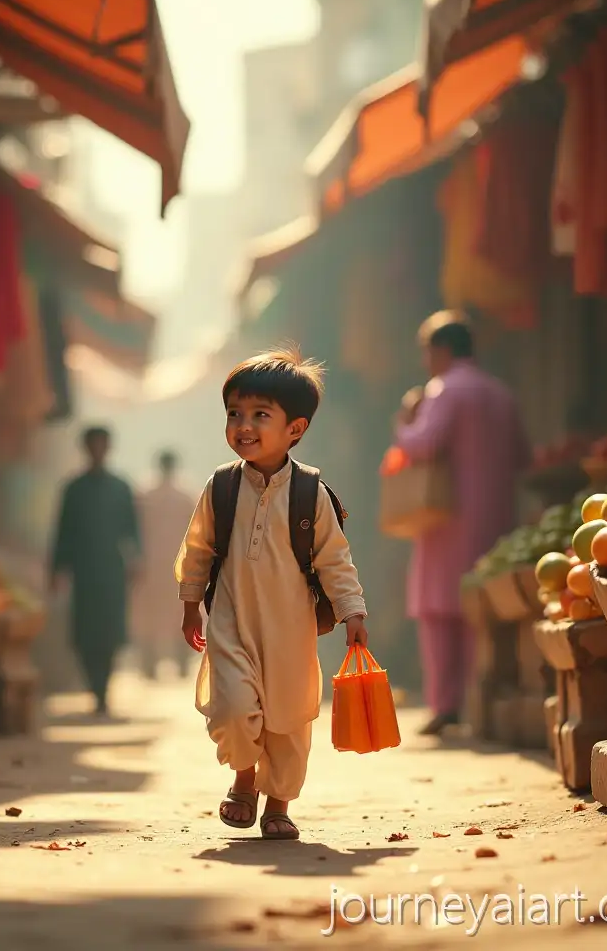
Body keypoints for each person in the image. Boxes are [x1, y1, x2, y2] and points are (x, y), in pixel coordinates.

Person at [175, 347, 368, 840]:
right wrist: (190, 605)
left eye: (261, 415)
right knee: (234, 707)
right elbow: (196, 549)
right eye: (234, 413)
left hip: (291, 632)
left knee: (289, 721)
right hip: (231, 622)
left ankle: (278, 804)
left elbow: (334, 558)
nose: (244, 425)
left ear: (295, 429)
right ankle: (244, 778)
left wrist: (352, 612)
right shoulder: (220, 487)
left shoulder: (311, 493)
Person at [393, 311, 531, 737]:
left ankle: (445, 704)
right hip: (496, 517)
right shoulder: (500, 393)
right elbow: (523, 455)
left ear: (441, 350)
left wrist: (403, 421)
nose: (425, 361)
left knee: (437, 610)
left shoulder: (443, 389)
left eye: (427, 351)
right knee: (482, 610)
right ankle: (480, 702)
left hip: (446, 519)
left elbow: (423, 443)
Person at [49, 425, 141, 717]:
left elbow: (133, 530)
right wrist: (56, 569)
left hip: (112, 569)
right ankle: (94, 687)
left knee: (110, 631)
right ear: (86, 448)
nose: (98, 450)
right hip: (83, 568)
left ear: (108, 448)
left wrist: (136, 560)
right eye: (93, 445)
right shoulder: (73, 489)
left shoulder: (121, 487)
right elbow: (62, 532)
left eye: (102, 444)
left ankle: (103, 689)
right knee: (85, 632)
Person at [130, 450, 196, 680]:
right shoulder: (185, 496)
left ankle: (151, 666)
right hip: (177, 564)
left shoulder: (145, 494)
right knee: (179, 612)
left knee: (152, 615)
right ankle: (179, 664)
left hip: (153, 565)